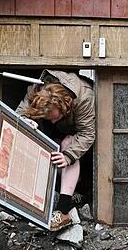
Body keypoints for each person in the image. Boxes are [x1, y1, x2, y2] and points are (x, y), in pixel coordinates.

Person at [15, 69, 95, 231]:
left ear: (63, 103)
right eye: (47, 118)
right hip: (55, 132)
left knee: (68, 143)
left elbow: (87, 133)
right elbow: (19, 113)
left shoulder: (84, 97)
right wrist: (26, 121)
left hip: (75, 132)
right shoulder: (36, 91)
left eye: (53, 117)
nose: (51, 122)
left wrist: (68, 156)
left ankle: (63, 210)